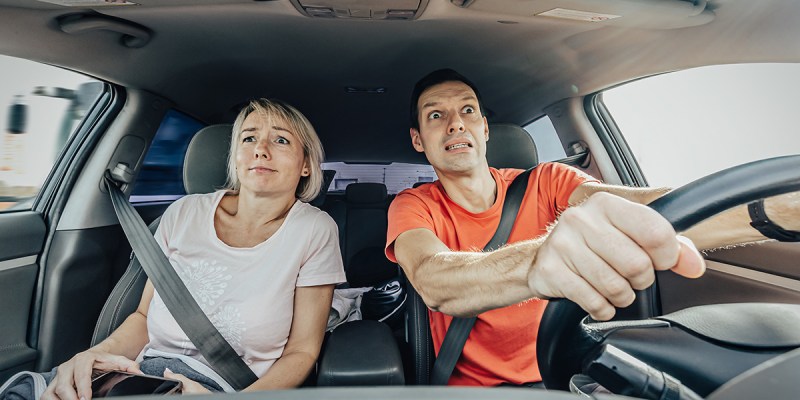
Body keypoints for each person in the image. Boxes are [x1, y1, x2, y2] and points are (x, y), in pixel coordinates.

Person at [385, 68, 799, 386]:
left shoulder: (548, 181)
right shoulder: (413, 204)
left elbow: (648, 209)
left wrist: (774, 213)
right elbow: (433, 277)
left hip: (571, 376)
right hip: (473, 391)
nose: (456, 123)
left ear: (485, 128)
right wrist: (538, 261)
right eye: (436, 115)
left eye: (468, 110)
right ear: (418, 140)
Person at [43, 98, 346, 399]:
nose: (260, 149)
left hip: (230, 388)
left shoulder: (314, 230)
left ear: (306, 165)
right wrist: (92, 358)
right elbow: (143, 319)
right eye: (249, 137)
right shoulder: (182, 213)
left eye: (280, 140)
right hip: (142, 377)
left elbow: (302, 351)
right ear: (236, 155)